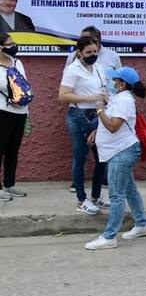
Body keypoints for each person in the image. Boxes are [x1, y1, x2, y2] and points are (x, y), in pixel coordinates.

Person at [84, 67, 146, 250]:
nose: (112, 83)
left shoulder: (125, 101)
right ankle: (142, 224)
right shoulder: (119, 99)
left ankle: (109, 236)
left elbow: (113, 126)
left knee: (116, 195)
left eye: (115, 81)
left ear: (122, 84)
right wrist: (97, 131)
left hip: (121, 152)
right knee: (129, 189)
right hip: (118, 150)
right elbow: (112, 123)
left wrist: (99, 110)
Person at [59, 35, 108, 215]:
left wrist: (104, 99)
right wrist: (91, 98)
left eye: (95, 51)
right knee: (80, 158)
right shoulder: (73, 70)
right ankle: (81, 199)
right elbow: (63, 96)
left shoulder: (99, 68)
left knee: (102, 157)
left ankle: (96, 196)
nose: (92, 55)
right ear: (79, 52)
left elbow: (103, 89)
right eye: (89, 52)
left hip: (98, 115)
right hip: (79, 115)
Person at [0, 32, 28, 200]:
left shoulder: (18, 62)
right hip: (3, 111)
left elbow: (24, 82)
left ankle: (9, 185)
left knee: (13, 150)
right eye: (9, 44)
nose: (13, 46)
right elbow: (5, 86)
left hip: (20, 111)